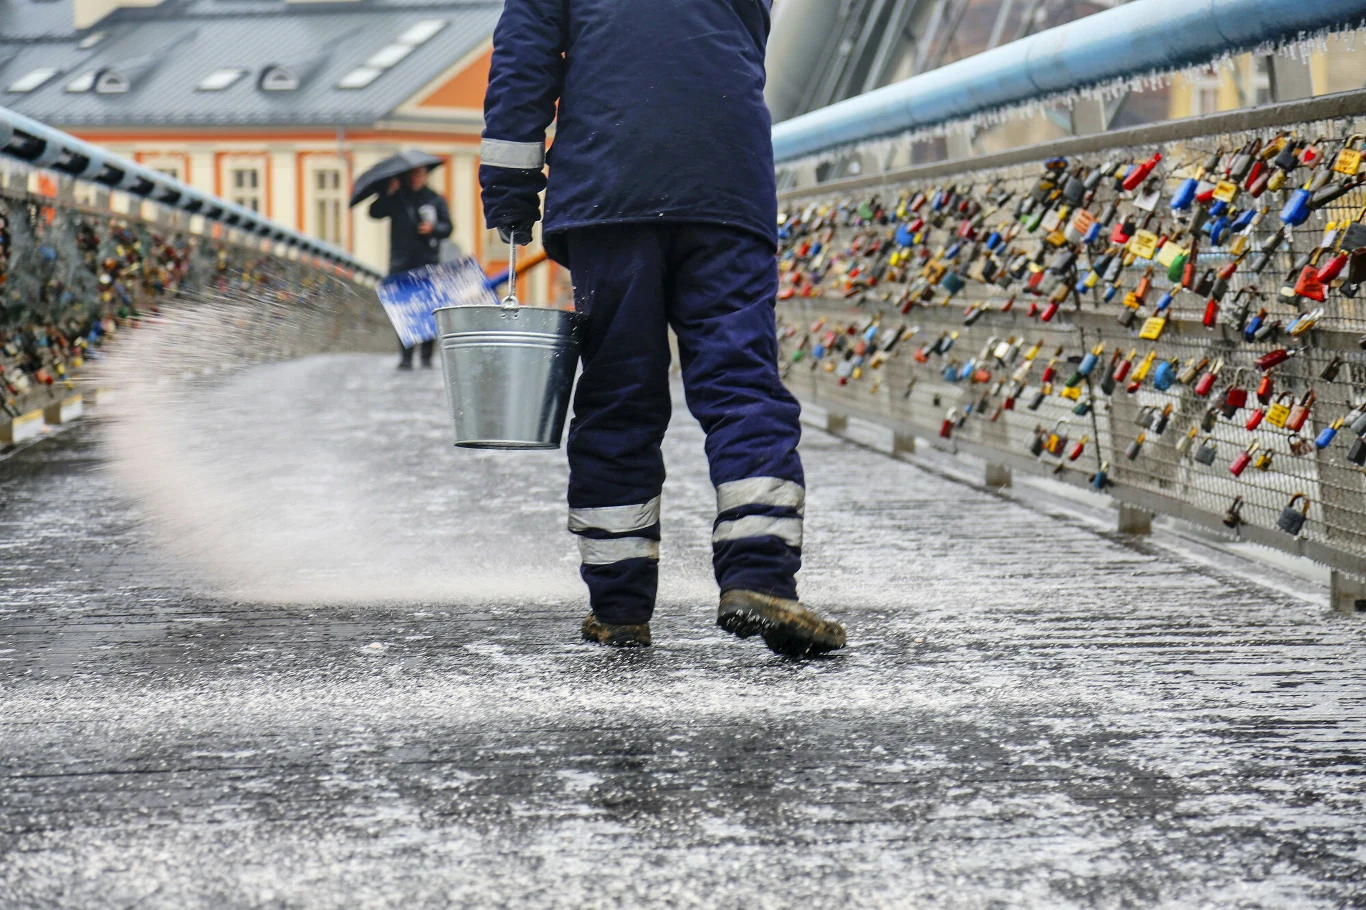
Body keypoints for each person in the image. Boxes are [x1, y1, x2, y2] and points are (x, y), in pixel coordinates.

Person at [478, 0, 845, 657]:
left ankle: (619, 608)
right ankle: (759, 579)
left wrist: (510, 189)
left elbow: (524, 58)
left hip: (607, 187)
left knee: (619, 391)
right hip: (726, 183)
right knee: (741, 382)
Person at [368, 166, 453, 369]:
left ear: (426, 176)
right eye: (413, 174)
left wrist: (433, 229)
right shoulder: (397, 197)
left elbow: (448, 227)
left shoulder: (435, 199)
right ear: (406, 176)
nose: (416, 178)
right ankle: (406, 358)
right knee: (404, 310)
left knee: (428, 310)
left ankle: (425, 357)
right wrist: (388, 193)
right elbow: (375, 212)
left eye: (420, 174)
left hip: (428, 261)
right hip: (401, 262)